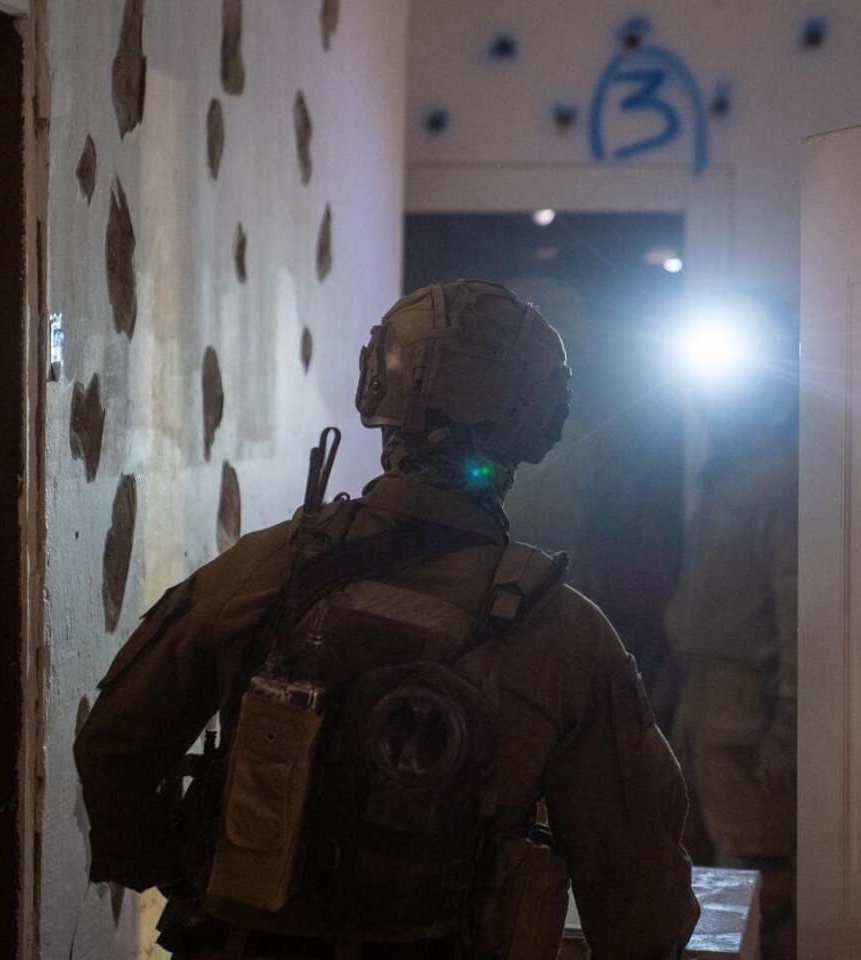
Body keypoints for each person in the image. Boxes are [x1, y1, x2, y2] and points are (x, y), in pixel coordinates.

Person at [74, 280, 699, 960]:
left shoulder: (260, 570)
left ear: (377, 390)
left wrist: (190, 872)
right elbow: (642, 901)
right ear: (540, 424)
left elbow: (113, 750)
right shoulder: (564, 631)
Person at [663, 312, 798, 960]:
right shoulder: (723, 476)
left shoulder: (780, 478)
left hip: (747, 712)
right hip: (704, 703)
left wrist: (788, 728)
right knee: (707, 881)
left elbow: (798, 614)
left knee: (761, 886)